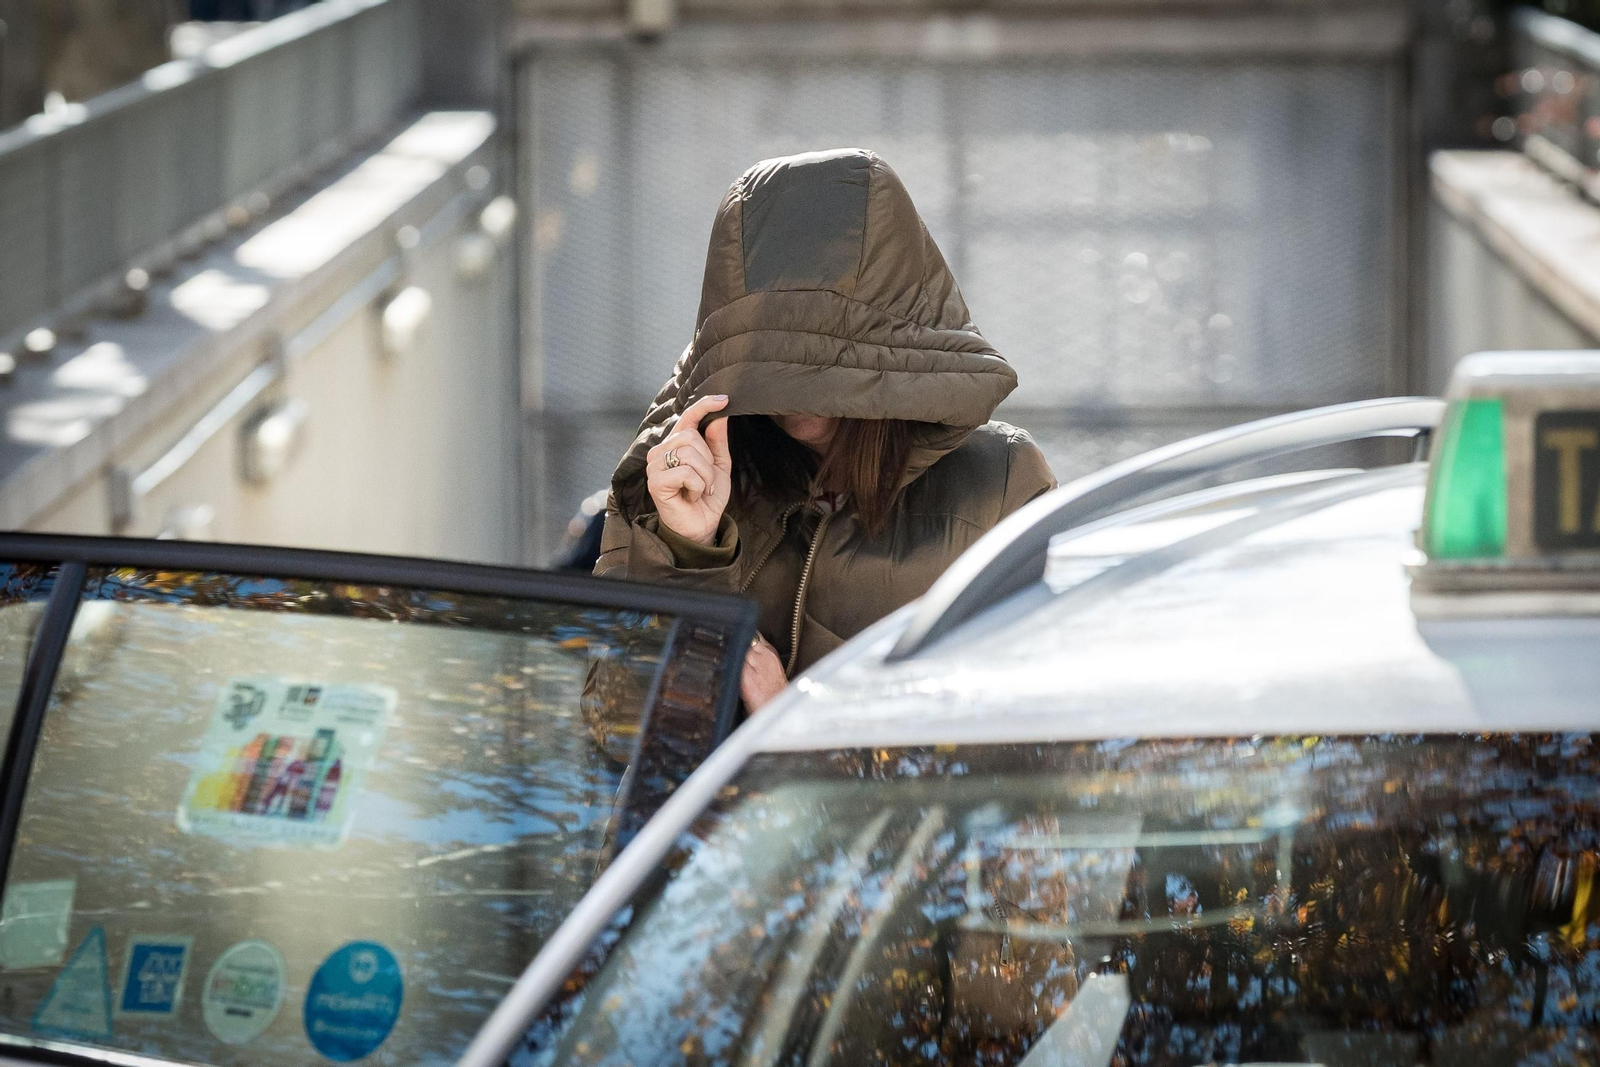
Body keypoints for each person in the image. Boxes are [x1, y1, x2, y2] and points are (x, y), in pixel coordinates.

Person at [588, 147, 1056, 742]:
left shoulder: (1002, 483)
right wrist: (689, 555)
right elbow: (620, 734)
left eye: (820, 353)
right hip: (703, 837)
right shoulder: (675, 476)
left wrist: (799, 728)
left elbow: (1028, 747)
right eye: (770, 355)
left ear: (882, 342)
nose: (790, 390)